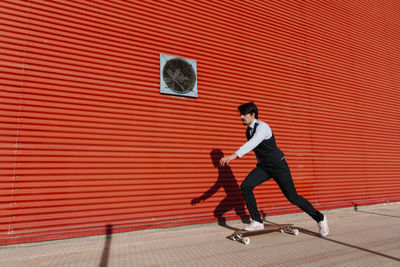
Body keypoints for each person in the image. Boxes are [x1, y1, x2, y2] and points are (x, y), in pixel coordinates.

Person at [219, 102, 329, 237]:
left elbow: (253, 143)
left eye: (244, 114)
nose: (241, 117)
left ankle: (320, 218)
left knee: (292, 197)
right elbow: (258, 150)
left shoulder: (263, 127)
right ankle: (257, 221)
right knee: (246, 186)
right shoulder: (248, 130)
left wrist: (234, 155)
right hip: (264, 167)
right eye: (240, 114)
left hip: (278, 166)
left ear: (253, 115)